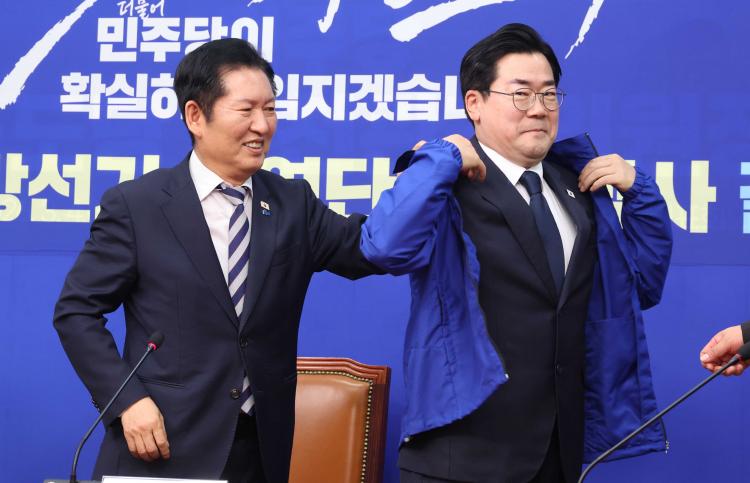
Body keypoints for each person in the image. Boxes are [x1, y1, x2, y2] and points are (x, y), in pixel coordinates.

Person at [53, 38, 379, 483]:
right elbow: (76, 311)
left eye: (270, 109)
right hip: (162, 448)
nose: (262, 125)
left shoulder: (293, 203)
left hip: (259, 452)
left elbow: (370, 248)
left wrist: (432, 175)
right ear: (195, 116)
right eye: (246, 110)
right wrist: (127, 401)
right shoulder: (138, 205)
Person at [360, 23, 673, 482]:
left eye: (549, 94)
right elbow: (383, 246)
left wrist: (640, 193)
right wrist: (444, 156)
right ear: (475, 103)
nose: (539, 109)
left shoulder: (579, 186)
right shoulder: (443, 184)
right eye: (521, 94)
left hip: (557, 453)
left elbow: (639, 288)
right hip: (461, 457)